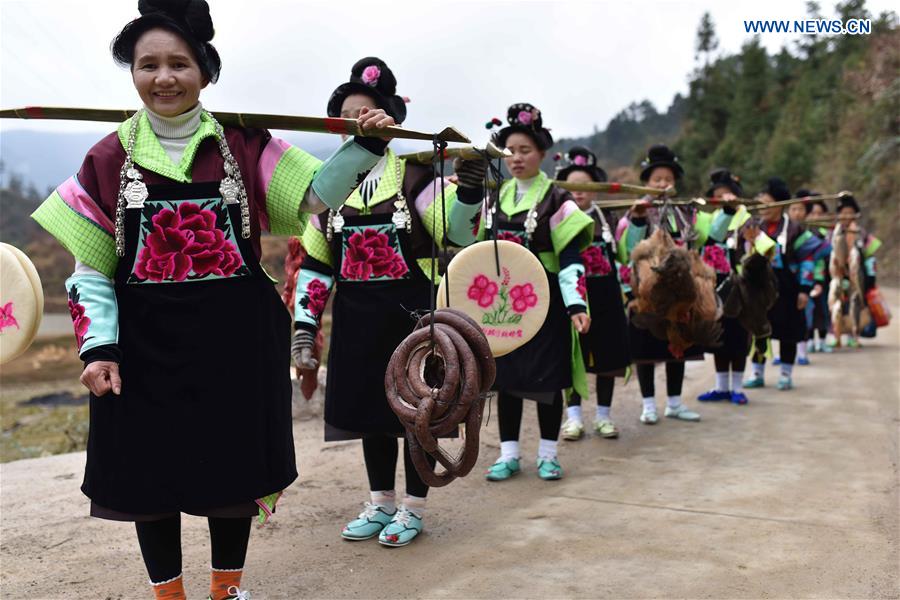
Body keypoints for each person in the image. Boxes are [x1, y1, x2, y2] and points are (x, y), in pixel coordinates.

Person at [32, 3, 397, 598]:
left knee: (232, 472)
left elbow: (314, 197)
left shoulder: (243, 144)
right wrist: (98, 349)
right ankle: (168, 592)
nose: (164, 77)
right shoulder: (106, 158)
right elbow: (91, 270)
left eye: (179, 63)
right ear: (132, 73)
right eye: (148, 64)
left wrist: (364, 147)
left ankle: (227, 589)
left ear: (205, 70)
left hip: (236, 342)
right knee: (148, 476)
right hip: (142, 348)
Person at [291, 57, 486, 547]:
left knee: (419, 412)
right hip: (355, 318)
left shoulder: (418, 179)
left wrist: (468, 190)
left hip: (414, 318)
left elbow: (459, 234)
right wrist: (303, 328)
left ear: (390, 122)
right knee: (370, 415)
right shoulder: (325, 191)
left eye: (367, 114)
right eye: (345, 119)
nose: (356, 124)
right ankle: (380, 503)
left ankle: (414, 508)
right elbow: (317, 267)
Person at [480, 103, 593, 481]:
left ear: (542, 153)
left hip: (544, 305)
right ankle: (509, 454)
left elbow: (572, 256)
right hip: (501, 307)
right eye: (510, 150)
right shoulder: (494, 197)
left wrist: (576, 302)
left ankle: (548, 454)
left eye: (525, 150)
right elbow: (477, 251)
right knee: (506, 378)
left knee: (547, 380)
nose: (516, 158)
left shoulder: (558, 199)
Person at [616, 145, 701, 424]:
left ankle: (675, 403)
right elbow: (628, 248)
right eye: (657, 180)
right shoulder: (634, 212)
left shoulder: (683, 212)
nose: (663, 184)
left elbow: (692, 244)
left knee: (678, 344)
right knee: (646, 350)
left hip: (678, 292)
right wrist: (638, 219)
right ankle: (649, 405)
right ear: (646, 182)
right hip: (645, 292)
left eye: (668, 179)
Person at [556, 147, 630, 440]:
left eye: (585, 185)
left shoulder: (609, 219)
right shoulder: (557, 217)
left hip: (607, 297)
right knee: (573, 357)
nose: (579, 192)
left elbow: (622, 254)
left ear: (595, 189)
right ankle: (573, 418)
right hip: (573, 298)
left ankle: (603, 416)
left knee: (607, 361)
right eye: (572, 185)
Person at [695, 169, 774, 405]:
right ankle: (721, 387)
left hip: (744, 291)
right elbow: (704, 241)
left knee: (740, 340)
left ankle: (738, 388)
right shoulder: (709, 219)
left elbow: (766, 249)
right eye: (718, 196)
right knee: (719, 340)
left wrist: (754, 239)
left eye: (728, 195)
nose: (724, 200)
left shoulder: (748, 219)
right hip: (717, 289)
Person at [743, 178, 827, 391]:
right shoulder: (754, 227)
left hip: (788, 290)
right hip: (760, 291)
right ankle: (757, 373)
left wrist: (804, 290)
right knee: (759, 331)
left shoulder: (794, 230)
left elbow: (808, 261)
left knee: (789, 332)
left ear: (780, 204)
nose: (763, 208)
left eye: (768, 203)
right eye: (761, 203)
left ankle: (786, 375)